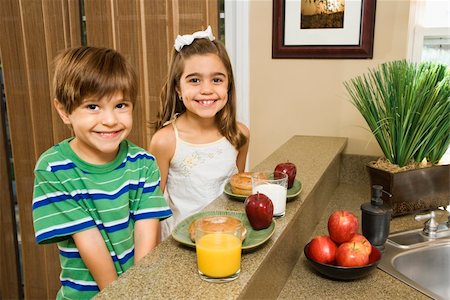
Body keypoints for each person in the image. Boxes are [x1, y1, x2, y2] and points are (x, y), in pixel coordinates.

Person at [32, 46, 172, 299]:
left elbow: (146, 235)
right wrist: (121, 296)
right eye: (93, 107)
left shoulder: (143, 163)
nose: (110, 119)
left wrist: (138, 292)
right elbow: (90, 243)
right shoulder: (53, 168)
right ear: (64, 111)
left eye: (120, 105)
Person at [149, 26, 250, 240]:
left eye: (217, 79)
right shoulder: (165, 141)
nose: (207, 89)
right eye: (194, 80)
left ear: (228, 84)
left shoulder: (239, 135)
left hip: (226, 240)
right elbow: (152, 210)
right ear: (178, 88)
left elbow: (237, 195)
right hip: (180, 247)